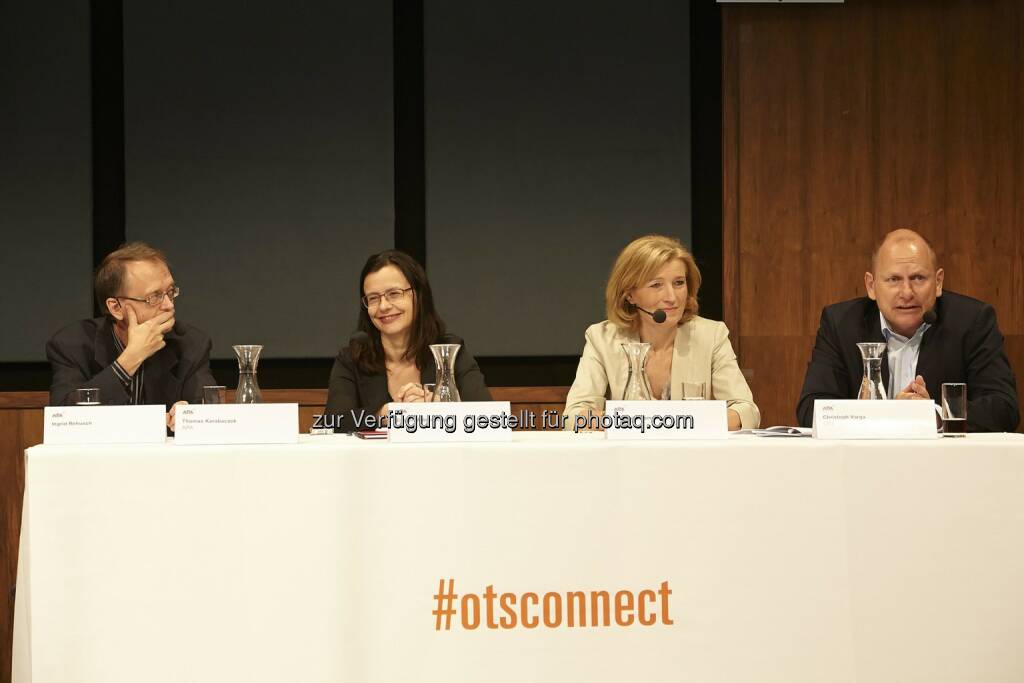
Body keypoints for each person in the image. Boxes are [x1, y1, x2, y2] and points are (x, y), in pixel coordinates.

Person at [796, 228, 1019, 432]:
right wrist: (883, 415)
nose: (907, 292)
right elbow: (811, 409)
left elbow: (1004, 407)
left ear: (938, 282)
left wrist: (934, 415)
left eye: (918, 278)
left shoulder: (972, 321)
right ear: (871, 286)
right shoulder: (841, 324)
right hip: (862, 465)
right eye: (893, 280)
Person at [564, 234, 760, 431]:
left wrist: (681, 423)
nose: (672, 297)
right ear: (629, 294)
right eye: (656, 285)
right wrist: (641, 424)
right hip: (626, 458)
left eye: (679, 283)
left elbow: (746, 412)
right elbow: (574, 416)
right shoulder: (602, 338)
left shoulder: (711, 335)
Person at [46, 242, 216, 430]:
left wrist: (192, 416)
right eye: (154, 297)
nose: (169, 305)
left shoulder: (190, 343)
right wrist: (130, 359)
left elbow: (210, 415)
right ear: (116, 308)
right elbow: (63, 423)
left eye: (170, 292)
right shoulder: (72, 345)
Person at [324, 250, 491, 432]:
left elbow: (488, 417)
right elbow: (333, 421)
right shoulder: (352, 357)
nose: (384, 306)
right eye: (373, 298)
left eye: (394, 294)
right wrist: (388, 414)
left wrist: (439, 410)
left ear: (418, 295)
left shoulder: (450, 351)